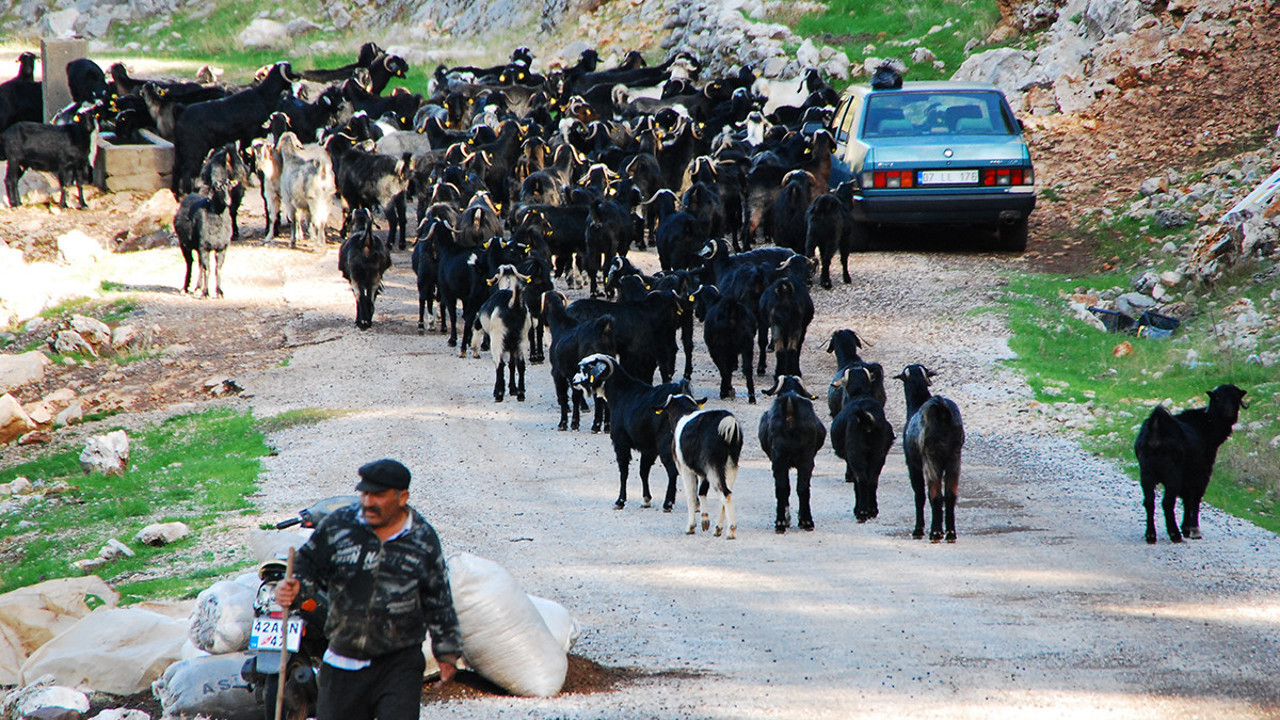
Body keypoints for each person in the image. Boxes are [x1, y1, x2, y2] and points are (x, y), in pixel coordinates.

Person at [275, 459, 463, 720]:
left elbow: (438, 596)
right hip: (343, 661)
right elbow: (307, 565)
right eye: (364, 493)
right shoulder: (340, 525)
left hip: (399, 664)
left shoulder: (422, 538)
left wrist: (446, 651)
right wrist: (294, 588)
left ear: (402, 497)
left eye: (378, 495)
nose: (368, 502)